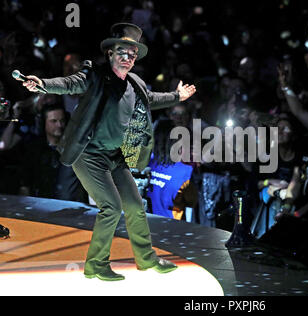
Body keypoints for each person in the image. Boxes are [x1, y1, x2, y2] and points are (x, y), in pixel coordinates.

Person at [18, 23, 196, 281]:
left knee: (135, 206)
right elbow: (69, 83)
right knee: (111, 207)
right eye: (122, 52)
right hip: (87, 154)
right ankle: (96, 265)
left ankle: (146, 259)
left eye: (132, 54)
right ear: (110, 53)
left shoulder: (135, 84)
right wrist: (43, 84)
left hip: (114, 155)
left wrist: (176, 96)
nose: (128, 58)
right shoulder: (95, 75)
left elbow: (152, 99)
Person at [18, 103, 87, 202]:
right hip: (41, 205)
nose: (59, 125)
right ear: (44, 123)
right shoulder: (34, 148)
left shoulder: (74, 149)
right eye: (53, 121)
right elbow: (25, 183)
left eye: (62, 121)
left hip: (70, 207)